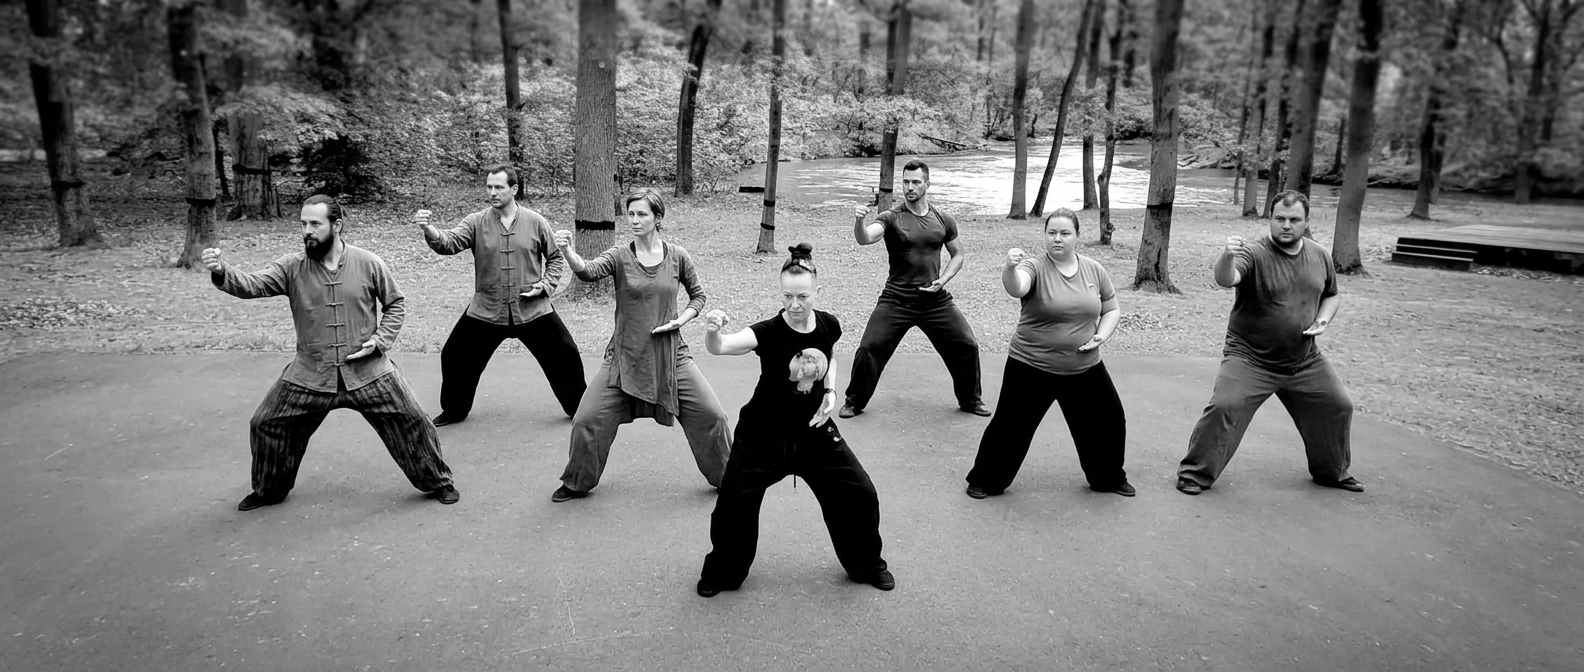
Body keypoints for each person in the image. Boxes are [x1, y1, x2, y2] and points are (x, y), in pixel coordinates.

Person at [202, 195, 459, 510]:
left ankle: (438, 482)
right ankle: (269, 490)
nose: (307, 231)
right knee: (266, 423)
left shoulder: (369, 263)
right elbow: (251, 285)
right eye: (303, 224)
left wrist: (381, 340)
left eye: (314, 224)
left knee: (415, 419)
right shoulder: (291, 267)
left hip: (369, 373)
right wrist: (221, 271)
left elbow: (395, 303)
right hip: (310, 374)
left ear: (336, 225)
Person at [697, 243, 894, 597]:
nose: (794, 304)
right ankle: (723, 573)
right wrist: (713, 331)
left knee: (859, 493)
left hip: (814, 433)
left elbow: (829, 359)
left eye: (802, 296)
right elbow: (721, 347)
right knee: (733, 505)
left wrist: (831, 393)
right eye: (787, 296)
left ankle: (867, 564)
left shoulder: (829, 325)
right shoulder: (768, 331)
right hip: (762, 435)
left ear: (816, 291)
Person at [548, 189, 732, 502]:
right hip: (624, 356)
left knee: (713, 416)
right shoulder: (620, 256)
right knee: (587, 419)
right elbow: (589, 271)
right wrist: (567, 252)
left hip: (672, 356)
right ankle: (577, 481)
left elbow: (698, 296)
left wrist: (681, 320)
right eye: (631, 214)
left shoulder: (677, 256)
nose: (634, 220)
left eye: (642, 214)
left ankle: (729, 479)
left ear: (658, 218)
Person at [1175, 190, 1361, 495]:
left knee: (1338, 406)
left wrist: (1323, 320)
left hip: (1304, 359)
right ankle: (1194, 474)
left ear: (1306, 222)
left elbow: (1331, 294)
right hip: (1250, 357)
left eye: (1294, 219)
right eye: (1279, 219)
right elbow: (1227, 278)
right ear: (1270, 220)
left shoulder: (1319, 255)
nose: (1286, 225)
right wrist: (1226, 255)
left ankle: (1332, 473)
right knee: (1225, 406)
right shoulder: (1254, 253)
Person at [965, 209, 1133, 498]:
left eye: (1065, 233)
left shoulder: (1094, 269)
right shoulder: (1035, 266)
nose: (1057, 239)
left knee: (1108, 419)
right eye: (1051, 232)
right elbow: (1017, 287)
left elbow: (1111, 308)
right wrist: (1009, 268)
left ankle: (1107, 477)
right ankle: (985, 480)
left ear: (1077, 237)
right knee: (1010, 427)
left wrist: (1101, 336)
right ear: (1044, 235)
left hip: (1084, 366)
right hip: (1031, 365)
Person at [415, 164, 585, 424]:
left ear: (513, 189)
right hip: (487, 308)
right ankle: (454, 409)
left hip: (532, 308)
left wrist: (546, 286)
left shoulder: (536, 221)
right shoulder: (476, 221)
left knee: (565, 354)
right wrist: (430, 230)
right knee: (454, 354)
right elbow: (449, 242)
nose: (492, 192)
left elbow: (554, 258)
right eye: (489, 187)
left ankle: (580, 410)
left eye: (498, 187)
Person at [841, 159, 989, 418]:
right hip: (896, 300)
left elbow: (958, 254)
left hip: (935, 301)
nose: (909, 187)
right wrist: (859, 222)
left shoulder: (943, 219)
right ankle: (854, 402)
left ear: (927, 184)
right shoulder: (891, 217)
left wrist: (943, 280)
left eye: (915, 182)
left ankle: (970, 400)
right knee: (869, 348)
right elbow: (865, 238)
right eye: (906, 182)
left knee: (966, 345)